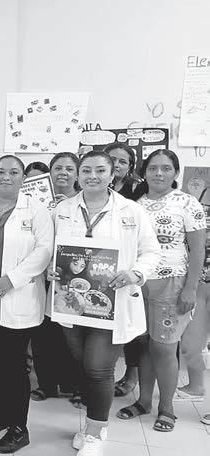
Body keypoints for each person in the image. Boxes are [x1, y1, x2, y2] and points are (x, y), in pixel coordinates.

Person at [49, 150, 160, 456]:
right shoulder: (62, 209)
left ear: (113, 175)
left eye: (100, 170)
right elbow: (50, 249)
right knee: (82, 365)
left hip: (111, 304)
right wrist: (51, 270)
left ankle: (96, 434)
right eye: (86, 170)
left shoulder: (131, 210)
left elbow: (151, 251)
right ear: (78, 175)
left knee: (99, 368)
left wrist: (135, 273)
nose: (92, 176)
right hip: (71, 302)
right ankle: (91, 424)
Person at [0, 155, 54, 454]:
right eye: (0, 172)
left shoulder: (37, 210)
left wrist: (11, 279)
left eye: (14, 172)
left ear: (23, 178)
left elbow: (44, 251)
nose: (6, 177)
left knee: (15, 366)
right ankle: (4, 411)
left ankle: (19, 427)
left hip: (18, 296)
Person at [116, 150, 205, 433]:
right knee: (144, 344)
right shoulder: (134, 205)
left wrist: (190, 288)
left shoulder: (187, 203)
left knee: (164, 347)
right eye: (153, 168)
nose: (158, 173)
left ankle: (167, 408)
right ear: (144, 172)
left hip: (173, 283)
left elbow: (198, 250)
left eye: (166, 168)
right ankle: (143, 401)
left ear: (176, 173)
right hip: (138, 283)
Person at [30, 152, 80, 403]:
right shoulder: (37, 201)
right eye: (58, 168)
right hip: (41, 273)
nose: (63, 173)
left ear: (77, 174)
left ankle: (75, 385)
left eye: (69, 169)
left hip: (72, 276)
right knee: (43, 333)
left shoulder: (84, 201)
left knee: (72, 335)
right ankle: (46, 384)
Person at [103, 143, 143, 399]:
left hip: (131, 267)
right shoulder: (91, 188)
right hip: (101, 267)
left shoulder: (138, 191)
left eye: (123, 161)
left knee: (132, 328)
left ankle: (132, 374)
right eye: (112, 159)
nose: (116, 165)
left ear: (130, 167)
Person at [177, 185, 210, 407]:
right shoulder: (199, 200)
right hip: (199, 282)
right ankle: (196, 386)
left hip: (199, 281)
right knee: (190, 342)